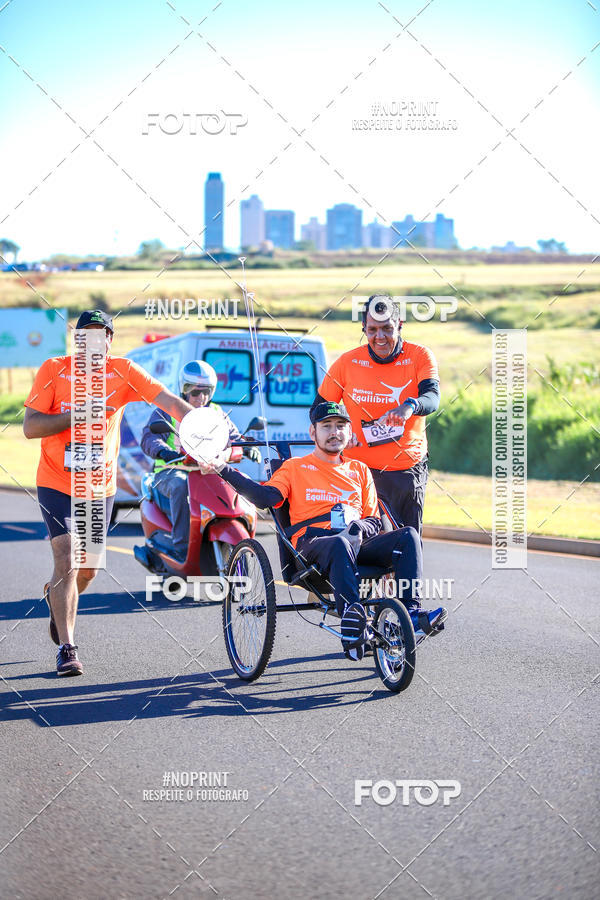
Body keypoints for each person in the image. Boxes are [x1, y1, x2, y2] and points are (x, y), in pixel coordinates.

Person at [198, 401, 446, 659]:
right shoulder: (293, 468)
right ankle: (352, 621)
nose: (334, 432)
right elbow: (264, 497)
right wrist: (222, 468)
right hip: (314, 546)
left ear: (349, 433)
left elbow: (373, 521)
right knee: (339, 543)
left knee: (409, 536)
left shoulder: (359, 470)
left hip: (356, 542)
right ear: (312, 432)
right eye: (326, 426)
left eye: (340, 426)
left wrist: (357, 527)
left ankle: (412, 615)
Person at [23, 309, 194, 676]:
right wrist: (78, 414)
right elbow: (30, 427)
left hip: (99, 486)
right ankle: (68, 648)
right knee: (66, 556)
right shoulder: (54, 369)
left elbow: (166, 400)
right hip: (56, 480)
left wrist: (200, 424)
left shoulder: (123, 371)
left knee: (88, 571)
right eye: (87, 336)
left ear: (110, 342)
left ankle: (58, 600)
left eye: (103, 336)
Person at [313, 293, 440, 536]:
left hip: (405, 471)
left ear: (399, 325)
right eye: (372, 330)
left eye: (387, 329)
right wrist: (337, 435)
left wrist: (409, 407)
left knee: (408, 544)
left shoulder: (420, 356)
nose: (379, 337)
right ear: (364, 328)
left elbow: (432, 398)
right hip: (357, 470)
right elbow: (318, 411)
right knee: (360, 541)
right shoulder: (347, 362)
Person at [140, 360, 261, 562]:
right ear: (184, 390)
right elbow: (149, 437)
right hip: (171, 470)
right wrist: (163, 451)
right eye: (195, 392)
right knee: (180, 486)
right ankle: (181, 547)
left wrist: (248, 447)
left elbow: (232, 435)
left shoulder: (215, 412)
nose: (201, 397)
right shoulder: (168, 408)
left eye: (206, 391)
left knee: (239, 481)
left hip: (207, 470)